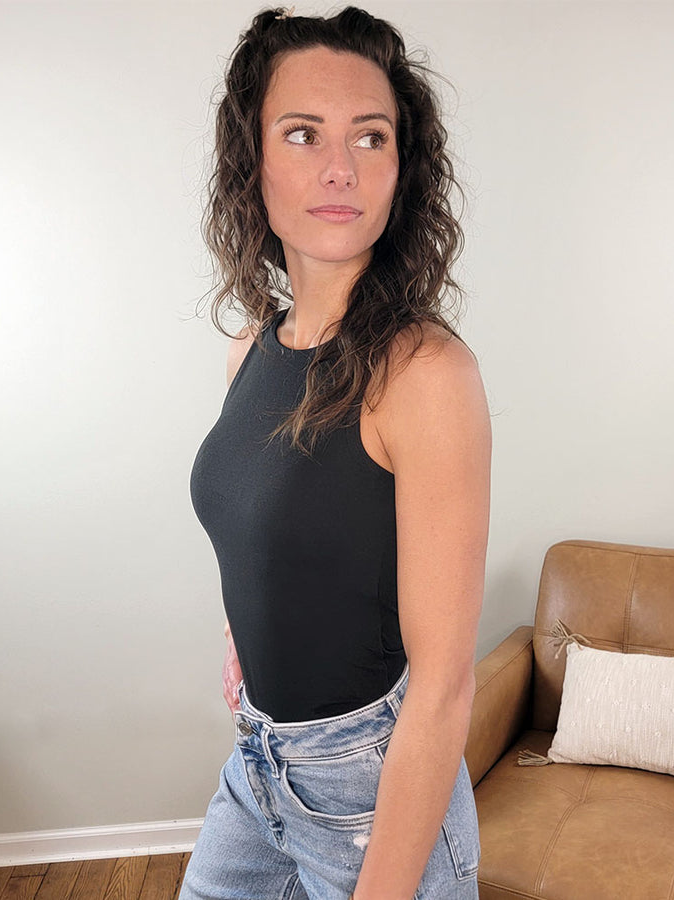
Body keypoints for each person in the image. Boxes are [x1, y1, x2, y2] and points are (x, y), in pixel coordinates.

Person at [180, 5, 491, 899]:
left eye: (371, 136)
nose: (340, 168)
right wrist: (246, 635)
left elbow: (441, 685)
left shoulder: (424, 371)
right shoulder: (251, 347)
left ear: (402, 167)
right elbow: (264, 519)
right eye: (304, 132)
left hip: (376, 792)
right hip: (262, 763)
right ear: (255, 159)